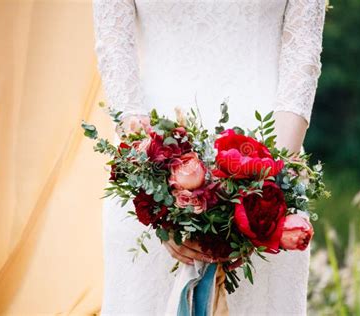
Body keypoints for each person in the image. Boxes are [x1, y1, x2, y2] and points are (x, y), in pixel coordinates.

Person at [92, 0, 325, 314]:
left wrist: (266, 194)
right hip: (152, 169)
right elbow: (114, 53)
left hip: (269, 175)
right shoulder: (153, 185)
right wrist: (158, 197)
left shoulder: (268, 192)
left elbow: (303, 60)